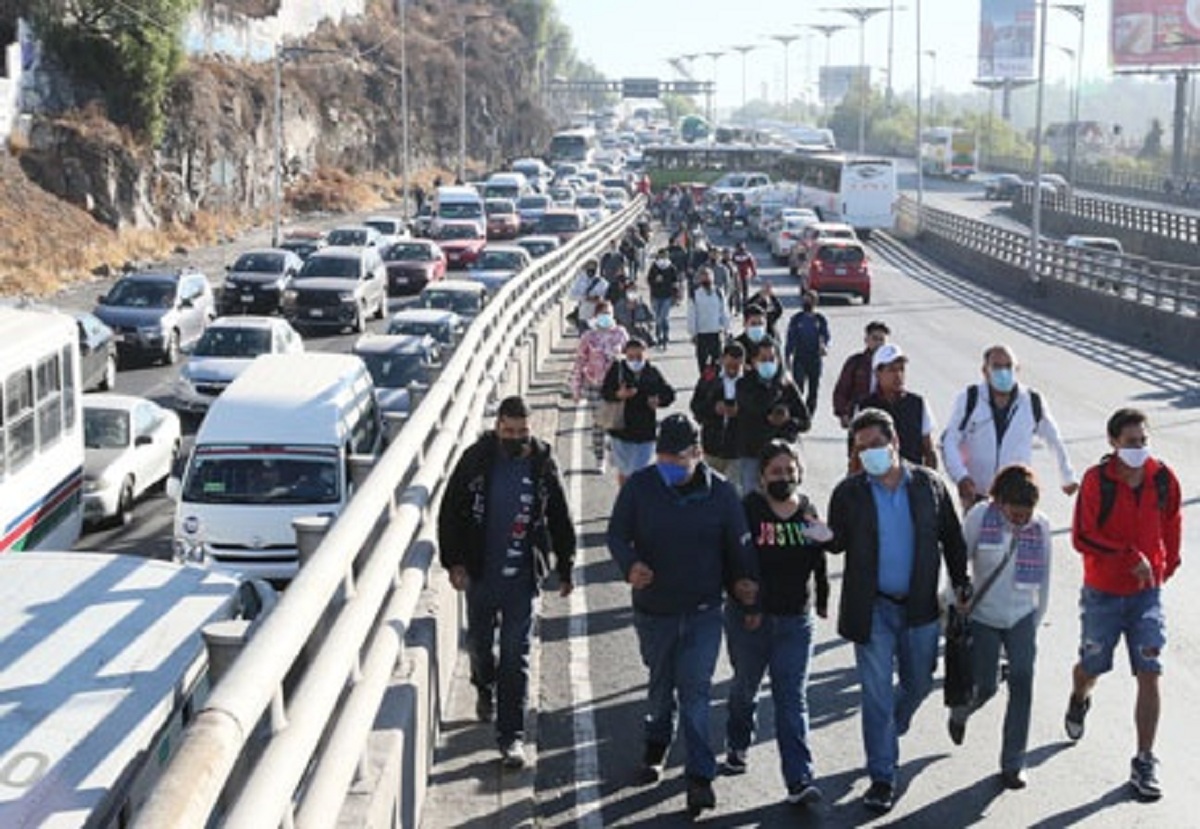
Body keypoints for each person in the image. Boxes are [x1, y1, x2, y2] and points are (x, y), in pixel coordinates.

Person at [606, 413, 760, 817]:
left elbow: (739, 549)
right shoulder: (641, 486)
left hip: (703, 610)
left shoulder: (722, 494)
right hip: (654, 610)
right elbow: (617, 534)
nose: (669, 468)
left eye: (678, 459)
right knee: (660, 685)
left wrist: (746, 592)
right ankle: (655, 746)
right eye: (663, 459)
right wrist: (631, 565)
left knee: (695, 690)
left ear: (697, 453)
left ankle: (699, 777)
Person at [826, 407, 971, 814]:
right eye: (862, 448)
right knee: (875, 697)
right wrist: (821, 536)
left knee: (920, 682)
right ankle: (882, 776)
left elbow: (953, 539)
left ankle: (895, 723)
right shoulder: (848, 492)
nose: (871, 453)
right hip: (872, 608)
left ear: (895, 443)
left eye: (877, 444)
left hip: (921, 607)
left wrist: (961, 581)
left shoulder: (928, 485)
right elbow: (836, 542)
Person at [437, 396, 576, 769]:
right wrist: (454, 562)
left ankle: (511, 737)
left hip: (522, 580)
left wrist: (566, 564)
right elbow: (450, 511)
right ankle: (484, 686)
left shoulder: (542, 463)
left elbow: (560, 515)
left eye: (523, 432)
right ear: (498, 426)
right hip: (481, 576)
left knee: (517, 657)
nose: (516, 438)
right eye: (509, 431)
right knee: (481, 647)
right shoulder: (476, 461)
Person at [1064, 408, 1182, 801]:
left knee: (1150, 669)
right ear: (1113, 443)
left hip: (1147, 593)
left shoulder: (1163, 477)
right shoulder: (1097, 481)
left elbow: (1172, 521)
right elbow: (1083, 536)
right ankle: (1079, 696)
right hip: (1103, 593)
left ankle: (1145, 758)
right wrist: (1128, 555)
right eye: (1131, 442)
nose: (1139, 448)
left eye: (1144, 441)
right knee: (1093, 665)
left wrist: (1170, 561)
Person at [723, 440, 830, 806]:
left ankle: (799, 779)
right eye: (776, 472)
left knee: (791, 699)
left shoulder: (808, 511)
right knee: (744, 688)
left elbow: (819, 559)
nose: (784, 478)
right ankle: (737, 741)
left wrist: (824, 598)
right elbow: (734, 558)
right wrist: (741, 596)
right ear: (762, 476)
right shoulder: (748, 509)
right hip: (751, 619)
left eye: (790, 471)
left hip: (796, 620)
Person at [947, 464, 1053, 790]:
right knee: (986, 685)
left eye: (1027, 514)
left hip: (1021, 615)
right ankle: (961, 711)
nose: (1022, 520)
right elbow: (957, 561)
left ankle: (1013, 762)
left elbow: (1046, 579)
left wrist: (1036, 619)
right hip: (983, 615)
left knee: (1023, 680)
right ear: (1000, 502)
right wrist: (955, 601)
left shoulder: (1041, 527)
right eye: (1015, 514)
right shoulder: (981, 516)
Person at [941, 344, 1079, 512]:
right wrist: (961, 477)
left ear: (1017, 369)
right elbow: (950, 440)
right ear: (985, 371)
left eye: (1008, 366)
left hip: (1017, 497)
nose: (1003, 372)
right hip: (977, 494)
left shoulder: (1031, 401)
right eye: (997, 367)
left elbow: (1053, 439)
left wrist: (1067, 477)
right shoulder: (970, 399)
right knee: (976, 537)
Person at [735, 339, 810, 497]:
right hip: (753, 455)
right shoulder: (744, 385)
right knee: (752, 503)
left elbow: (805, 421)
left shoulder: (787, 385)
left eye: (772, 359)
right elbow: (754, 408)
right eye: (763, 359)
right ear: (754, 361)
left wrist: (787, 421)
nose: (768, 363)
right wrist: (770, 416)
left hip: (784, 458)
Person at [601, 338, 675, 486]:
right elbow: (605, 392)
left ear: (645, 355)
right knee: (624, 471)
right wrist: (618, 395)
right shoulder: (617, 370)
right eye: (631, 357)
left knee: (639, 472)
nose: (635, 361)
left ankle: (636, 502)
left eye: (639, 357)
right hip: (621, 430)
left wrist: (658, 400)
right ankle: (626, 500)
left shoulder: (652, 373)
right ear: (625, 355)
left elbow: (669, 394)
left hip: (645, 432)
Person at [854, 343, 939, 470]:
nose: (898, 375)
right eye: (892, 370)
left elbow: (929, 450)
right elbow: (856, 453)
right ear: (878, 373)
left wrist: (931, 482)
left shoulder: (918, 404)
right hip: (874, 481)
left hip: (911, 482)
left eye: (901, 369)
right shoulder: (864, 407)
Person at [569, 300, 628, 471]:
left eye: (609, 314)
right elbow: (580, 363)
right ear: (595, 316)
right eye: (603, 314)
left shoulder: (620, 334)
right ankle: (599, 457)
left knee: (615, 422)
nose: (606, 318)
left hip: (616, 386)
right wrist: (576, 388)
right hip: (594, 384)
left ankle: (614, 452)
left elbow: (630, 357)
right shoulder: (588, 337)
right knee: (599, 422)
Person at [689, 342, 745, 480]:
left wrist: (741, 411)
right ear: (722, 360)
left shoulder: (748, 381)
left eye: (737, 366)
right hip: (711, 447)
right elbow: (696, 406)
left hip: (738, 450)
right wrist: (713, 408)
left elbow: (758, 411)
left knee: (734, 492)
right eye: (729, 365)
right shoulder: (710, 378)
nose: (733, 369)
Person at [832, 321, 890, 428]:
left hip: (885, 414)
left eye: (882, 340)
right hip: (859, 414)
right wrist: (843, 413)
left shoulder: (891, 365)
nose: (878, 343)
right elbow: (842, 389)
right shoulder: (856, 362)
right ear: (866, 340)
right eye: (875, 338)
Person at [784, 291, 830, 417]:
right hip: (800, 358)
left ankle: (809, 413)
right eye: (805, 300)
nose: (806, 303)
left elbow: (826, 336)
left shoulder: (820, 320)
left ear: (815, 302)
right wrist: (787, 357)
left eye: (809, 300)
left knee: (813, 389)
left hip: (814, 359)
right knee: (798, 388)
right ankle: (797, 413)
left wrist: (824, 346)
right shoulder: (797, 319)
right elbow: (790, 338)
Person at [686, 266, 730, 374]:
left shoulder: (719, 293)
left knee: (718, 363)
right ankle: (704, 384)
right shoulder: (695, 295)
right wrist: (693, 333)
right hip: (702, 334)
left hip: (716, 333)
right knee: (702, 364)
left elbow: (724, 311)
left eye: (708, 276)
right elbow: (692, 315)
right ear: (700, 279)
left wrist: (726, 328)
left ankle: (716, 385)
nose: (706, 279)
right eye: (703, 276)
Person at [647, 248, 682, 350]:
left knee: (664, 317)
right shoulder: (654, 267)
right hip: (655, 295)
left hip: (667, 296)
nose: (662, 258)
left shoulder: (671, 268)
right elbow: (649, 280)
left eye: (664, 256)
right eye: (661, 256)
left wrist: (676, 296)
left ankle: (665, 337)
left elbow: (675, 282)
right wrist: (655, 280)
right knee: (657, 317)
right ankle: (658, 335)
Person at [568, 260, 609, 334]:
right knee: (584, 340)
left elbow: (606, 299)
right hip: (583, 315)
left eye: (593, 267)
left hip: (597, 316)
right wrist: (585, 298)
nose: (591, 269)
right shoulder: (580, 281)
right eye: (589, 267)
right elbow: (571, 295)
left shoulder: (603, 283)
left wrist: (598, 299)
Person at [731, 241, 757, 312]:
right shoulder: (735, 255)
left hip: (744, 276)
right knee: (738, 293)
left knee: (743, 293)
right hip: (738, 276)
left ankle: (743, 307)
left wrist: (754, 273)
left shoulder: (747, 255)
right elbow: (731, 265)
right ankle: (739, 308)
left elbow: (752, 265)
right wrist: (754, 273)